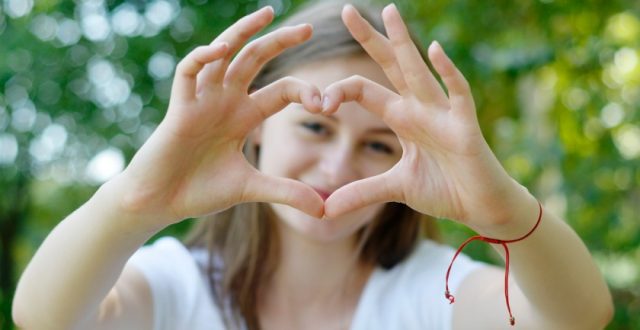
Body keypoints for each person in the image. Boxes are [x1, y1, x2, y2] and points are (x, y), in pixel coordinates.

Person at [12, 1, 613, 329]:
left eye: (379, 143)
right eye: (315, 125)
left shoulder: (436, 292)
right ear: (255, 129)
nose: (337, 163)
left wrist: (503, 209)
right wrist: (135, 202)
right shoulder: (177, 283)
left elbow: (577, 319)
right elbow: (44, 318)